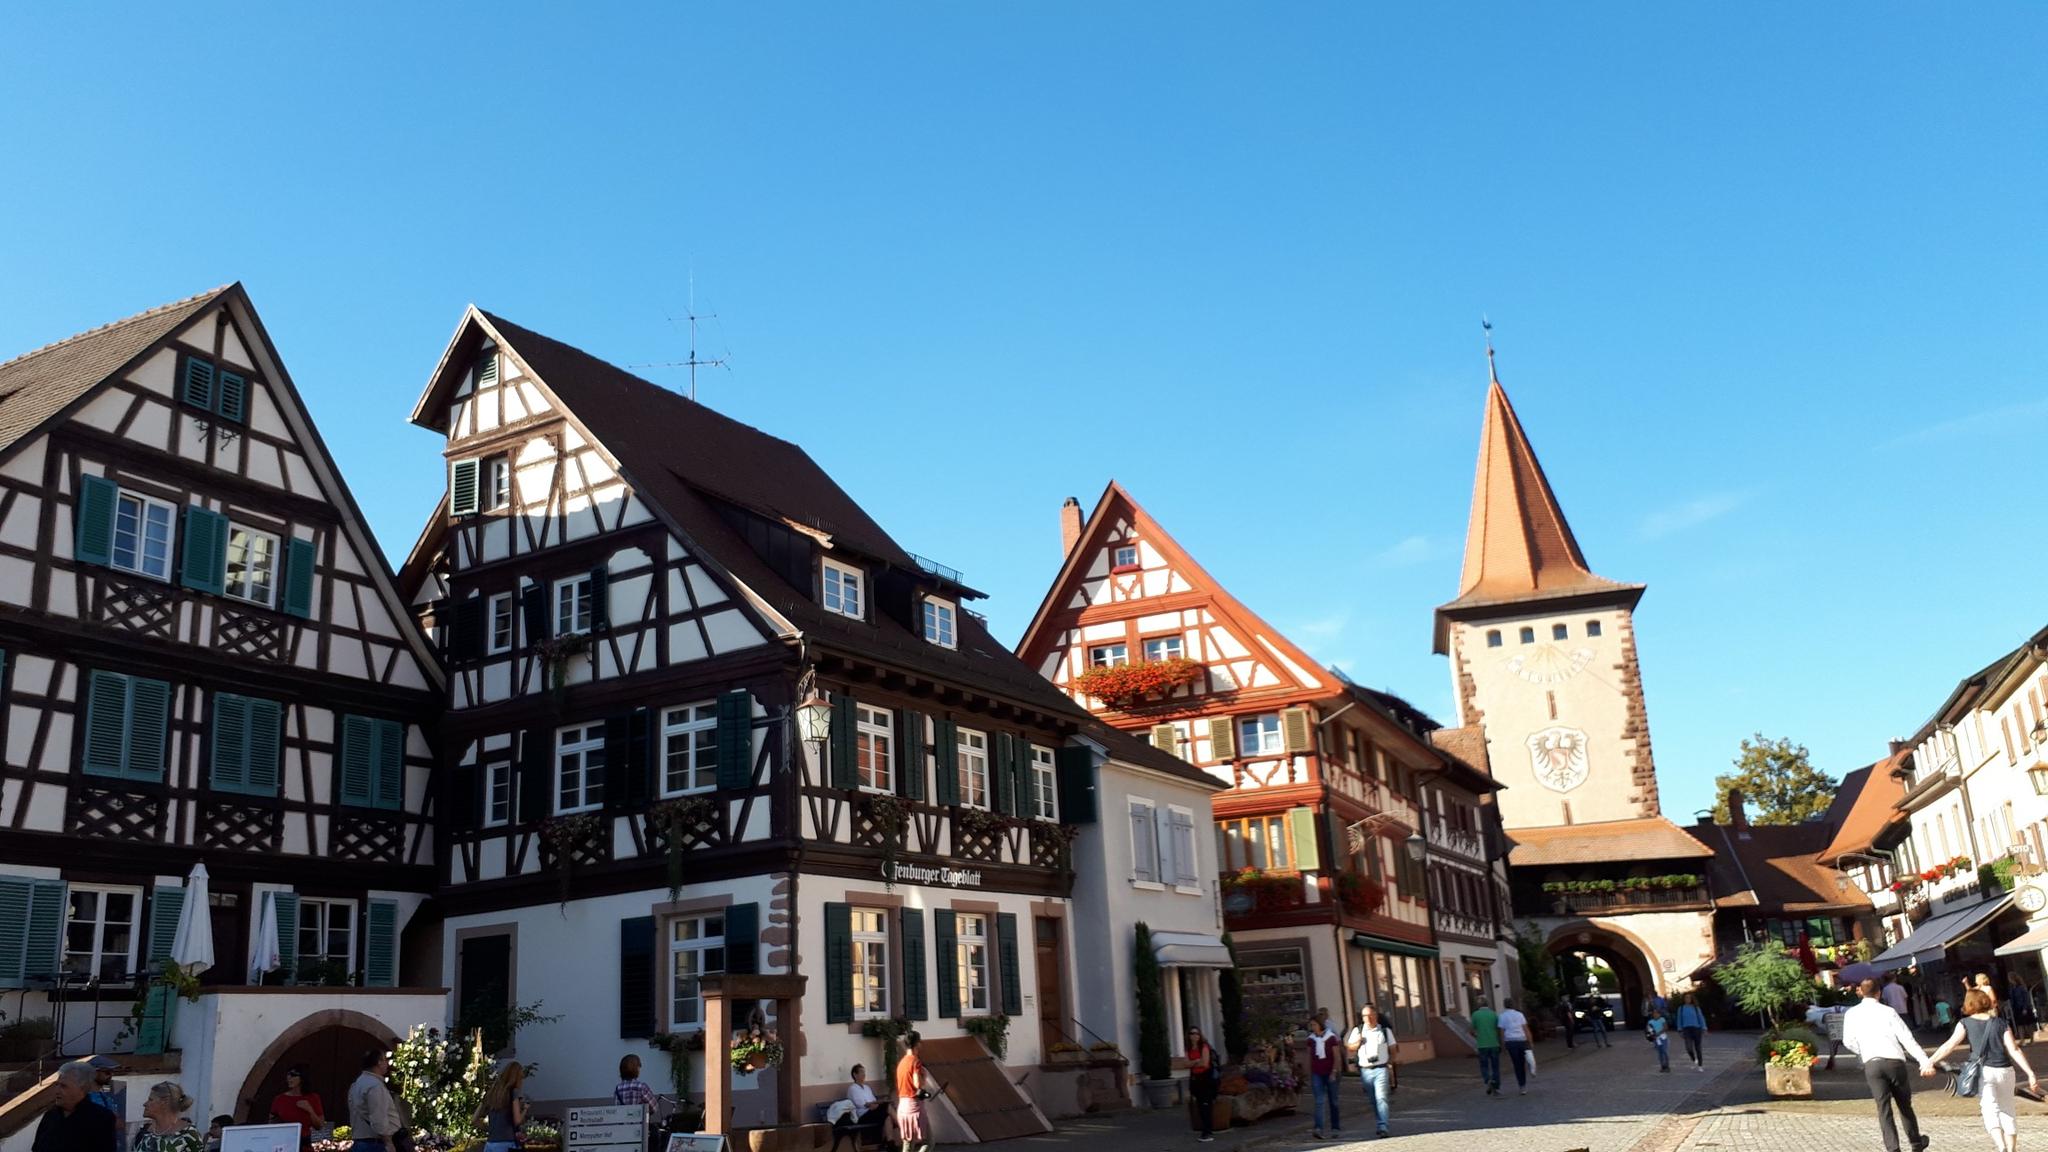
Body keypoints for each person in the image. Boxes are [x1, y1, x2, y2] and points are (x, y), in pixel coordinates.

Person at [1926, 988, 2040, 1152]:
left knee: (1989, 1108)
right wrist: (2030, 1073)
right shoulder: (2001, 1023)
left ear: (1969, 1004)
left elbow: (1950, 1045)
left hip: (1984, 1072)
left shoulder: (1965, 1023)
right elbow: (2014, 1049)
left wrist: (1930, 1061)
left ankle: (2001, 1146)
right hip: (2005, 1070)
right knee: (2007, 1108)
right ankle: (2012, 1148)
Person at [1844, 978, 1934, 1152]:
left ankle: (1893, 1148)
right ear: (1879, 992)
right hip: (1894, 1062)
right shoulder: (1888, 1011)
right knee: (1904, 1104)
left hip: (1872, 1063)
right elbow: (1906, 1038)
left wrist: (1864, 1051)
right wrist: (1924, 1060)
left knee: (1883, 1108)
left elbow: (1848, 1041)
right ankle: (1915, 1142)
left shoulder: (1851, 1014)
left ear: (1861, 992)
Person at [34, 1062, 117, 1152]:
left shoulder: (101, 1118)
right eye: (57, 1085)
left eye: (63, 1086)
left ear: (82, 1088)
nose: (57, 1091)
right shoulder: (50, 1116)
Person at [1345, 1005, 1396, 1138]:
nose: (1367, 1018)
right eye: (1364, 1016)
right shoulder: (1358, 1030)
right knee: (1373, 1100)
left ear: (1375, 1015)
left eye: (1369, 1015)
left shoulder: (1384, 1031)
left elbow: (1393, 1048)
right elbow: (1350, 1047)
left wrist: (1390, 1064)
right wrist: (1358, 1042)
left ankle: (1383, 1125)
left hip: (1381, 1068)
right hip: (1366, 1070)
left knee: (1382, 1098)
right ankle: (1380, 1121)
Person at [347, 1052, 402, 1152]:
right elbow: (378, 1117)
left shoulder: (356, 1085)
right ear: (379, 1062)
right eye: (385, 1060)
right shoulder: (375, 1086)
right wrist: (388, 1142)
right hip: (375, 1143)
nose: (387, 1064)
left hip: (360, 1142)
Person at [895, 1031, 939, 1152]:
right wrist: (924, 1077)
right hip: (914, 1106)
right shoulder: (915, 1062)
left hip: (902, 1106)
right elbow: (917, 1084)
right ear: (917, 1044)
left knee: (908, 1144)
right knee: (929, 1142)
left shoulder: (901, 1063)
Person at [475, 1063, 528, 1152]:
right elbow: (517, 1121)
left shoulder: (491, 1093)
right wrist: (525, 1109)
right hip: (506, 1144)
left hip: (490, 1145)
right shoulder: (513, 1092)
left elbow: (474, 1119)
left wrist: (492, 1129)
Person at [1304, 1014, 1341, 1139]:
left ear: (1320, 1024)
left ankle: (1335, 1127)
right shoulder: (1311, 1039)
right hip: (1317, 1073)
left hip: (1330, 1071)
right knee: (1319, 1101)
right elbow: (1309, 1057)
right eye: (1311, 1025)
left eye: (1314, 1024)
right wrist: (1308, 1073)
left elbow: (1336, 1056)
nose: (1312, 1027)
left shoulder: (1331, 1038)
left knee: (1333, 1100)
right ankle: (1318, 1127)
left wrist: (1334, 1071)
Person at [133, 1084, 200, 1152]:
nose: (145, 1104)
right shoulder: (144, 1131)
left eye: (150, 1099)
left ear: (164, 1103)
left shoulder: (188, 1134)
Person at [269, 1067, 326, 1146]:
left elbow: (319, 1126)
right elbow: (271, 1123)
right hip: (284, 1144)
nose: (289, 1078)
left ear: (302, 1078)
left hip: (304, 1143)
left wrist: (310, 1110)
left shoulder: (313, 1098)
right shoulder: (279, 1099)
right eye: (288, 1075)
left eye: (293, 1075)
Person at [1184, 1028, 1220, 1143]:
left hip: (1206, 1078)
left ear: (1200, 1035)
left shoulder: (1204, 1046)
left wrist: (1192, 1063)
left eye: (1196, 1033)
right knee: (1200, 1105)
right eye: (1191, 1033)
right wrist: (1195, 1062)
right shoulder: (1189, 1048)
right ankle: (1206, 1129)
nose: (1194, 1036)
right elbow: (1185, 1064)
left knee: (1206, 1105)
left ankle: (1207, 1132)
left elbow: (1205, 1063)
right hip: (1195, 1079)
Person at [89, 1059, 127, 1152]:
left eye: (112, 1072)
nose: (111, 1075)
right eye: (107, 1072)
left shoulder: (105, 1097)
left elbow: (119, 1124)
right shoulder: (81, 1097)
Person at [1498, 999, 1532, 1095]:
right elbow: (1525, 1028)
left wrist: (1503, 1044)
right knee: (1522, 1062)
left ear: (1505, 1005)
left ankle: (1521, 1085)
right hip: (1521, 1040)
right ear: (1513, 1005)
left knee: (1516, 1063)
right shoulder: (1519, 1015)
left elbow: (1502, 1032)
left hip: (1511, 1041)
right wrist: (1530, 1041)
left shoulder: (1502, 1016)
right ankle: (1523, 1083)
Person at [1470, 1000, 1503, 1095]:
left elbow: (1471, 1030)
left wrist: (1476, 1036)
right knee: (1495, 1066)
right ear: (1488, 1005)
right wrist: (1500, 1042)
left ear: (1479, 1005)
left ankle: (1488, 1079)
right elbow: (1498, 1029)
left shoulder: (1475, 1015)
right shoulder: (1493, 1014)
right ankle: (1496, 1086)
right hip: (1494, 1044)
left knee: (1484, 1065)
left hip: (1482, 1045)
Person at [1676, 992, 1708, 1072]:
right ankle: (1694, 1060)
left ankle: (1700, 1065)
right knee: (1688, 1047)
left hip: (1696, 1029)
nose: (1687, 999)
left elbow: (1701, 1018)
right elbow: (1679, 1019)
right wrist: (1679, 1029)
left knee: (1698, 1048)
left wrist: (1704, 1028)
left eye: (1689, 998)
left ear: (1692, 999)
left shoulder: (1696, 1008)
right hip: (1686, 1029)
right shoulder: (1681, 1008)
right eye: (1686, 998)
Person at [1646, 1008, 1671, 1073]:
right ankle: (1662, 1066)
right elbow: (1648, 1030)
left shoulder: (1662, 1019)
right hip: (1656, 1039)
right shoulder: (1650, 1022)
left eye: (1657, 1013)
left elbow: (1666, 1027)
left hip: (1663, 1038)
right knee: (1660, 1053)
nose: (1655, 1014)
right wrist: (1651, 1037)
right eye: (1654, 1013)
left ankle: (1667, 1066)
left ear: (1660, 1014)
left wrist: (1659, 1033)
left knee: (1664, 1051)